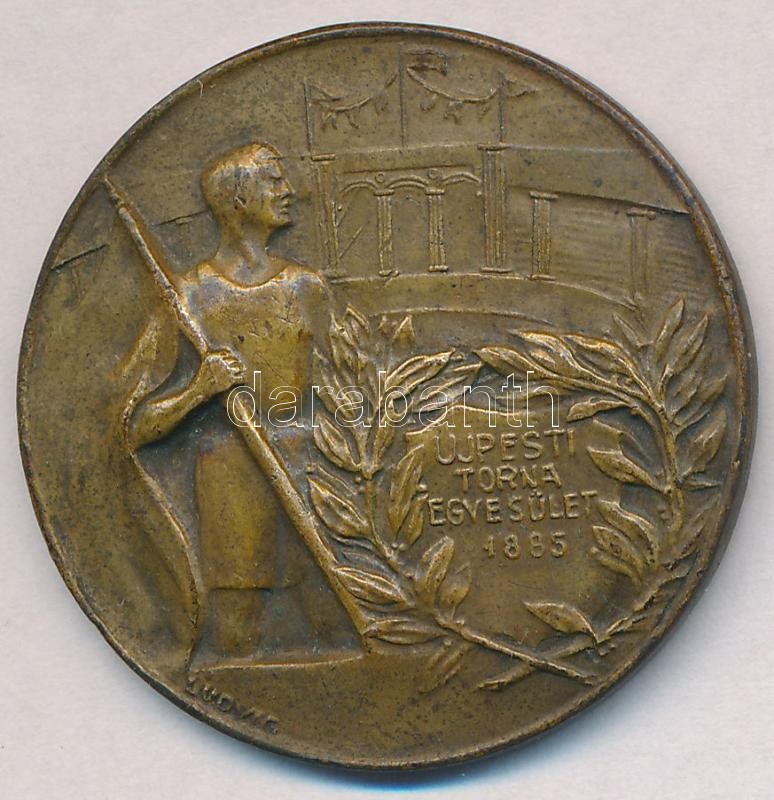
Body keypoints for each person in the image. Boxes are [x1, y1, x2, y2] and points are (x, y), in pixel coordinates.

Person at [128, 142, 359, 665]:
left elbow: (354, 387)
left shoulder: (306, 288)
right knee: (236, 637)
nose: (289, 190)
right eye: (273, 180)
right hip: (230, 477)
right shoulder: (189, 298)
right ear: (237, 198)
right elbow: (134, 427)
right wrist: (199, 390)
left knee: (339, 620)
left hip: (312, 473)